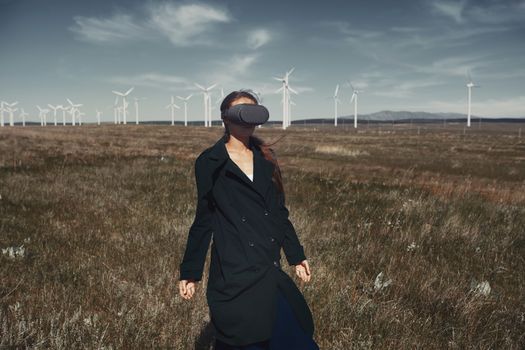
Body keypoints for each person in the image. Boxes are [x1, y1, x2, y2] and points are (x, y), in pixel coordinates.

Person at [178, 90, 320, 349]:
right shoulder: (209, 162)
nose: (248, 118)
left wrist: (296, 255)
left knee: (293, 339)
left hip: (268, 267)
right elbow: (204, 219)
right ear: (226, 118)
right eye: (241, 111)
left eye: (253, 111)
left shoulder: (267, 157)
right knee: (241, 338)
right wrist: (190, 272)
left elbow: (279, 212)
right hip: (234, 270)